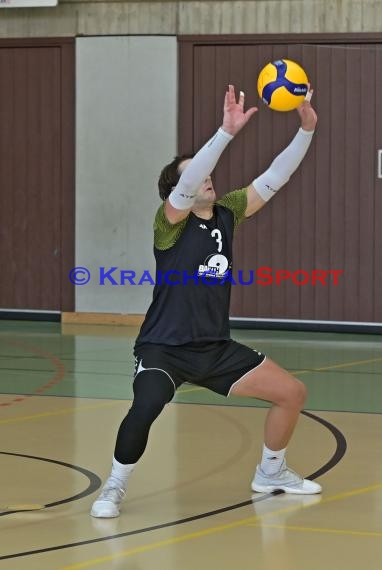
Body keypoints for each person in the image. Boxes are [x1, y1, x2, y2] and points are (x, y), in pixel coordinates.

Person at [91, 84, 321, 518]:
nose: (207, 176)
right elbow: (192, 178)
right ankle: (113, 487)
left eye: (206, 171)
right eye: (195, 173)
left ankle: (272, 472)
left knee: (291, 392)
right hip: (164, 347)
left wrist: (306, 131)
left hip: (214, 347)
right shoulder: (168, 223)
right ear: (176, 190)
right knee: (147, 405)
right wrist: (225, 132)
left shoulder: (228, 212)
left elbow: (275, 177)